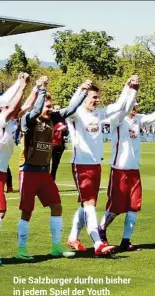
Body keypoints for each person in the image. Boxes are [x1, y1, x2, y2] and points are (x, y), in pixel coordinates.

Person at [16, 77, 89, 260]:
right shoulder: (28, 119)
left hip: (44, 173)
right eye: (48, 106)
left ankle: (56, 247)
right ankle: (22, 250)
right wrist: (41, 90)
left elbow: (71, 109)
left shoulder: (53, 118)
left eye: (51, 106)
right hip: (28, 171)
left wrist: (83, 91)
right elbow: (34, 112)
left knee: (56, 206)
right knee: (27, 211)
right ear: (39, 106)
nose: (51, 109)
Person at [66, 76, 138, 256]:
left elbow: (121, 106)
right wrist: (81, 89)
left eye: (98, 98)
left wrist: (128, 87)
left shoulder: (99, 113)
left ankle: (73, 236)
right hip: (81, 165)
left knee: (86, 205)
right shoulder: (75, 114)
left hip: (96, 165)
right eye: (94, 97)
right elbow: (70, 107)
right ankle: (98, 243)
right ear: (84, 98)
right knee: (90, 205)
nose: (97, 101)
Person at [99, 88, 155, 251]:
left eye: (136, 106)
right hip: (119, 170)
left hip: (134, 171)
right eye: (132, 105)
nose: (135, 108)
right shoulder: (118, 120)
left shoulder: (138, 119)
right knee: (115, 207)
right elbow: (125, 107)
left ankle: (126, 240)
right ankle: (101, 230)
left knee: (134, 206)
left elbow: (154, 117)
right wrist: (132, 92)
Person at [0, 73, 29, 266]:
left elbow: (17, 105)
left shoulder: (4, 118)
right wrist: (21, 85)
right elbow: (10, 102)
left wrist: (34, 89)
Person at [50, 105, 69, 181]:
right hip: (50, 144)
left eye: (59, 109)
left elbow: (66, 133)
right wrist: (57, 128)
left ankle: (52, 181)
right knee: (45, 165)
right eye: (56, 109)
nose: (57, 110)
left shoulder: (62, 119)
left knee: (55, 165)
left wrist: (64, 130)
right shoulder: (50, 118)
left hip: (59, 145)